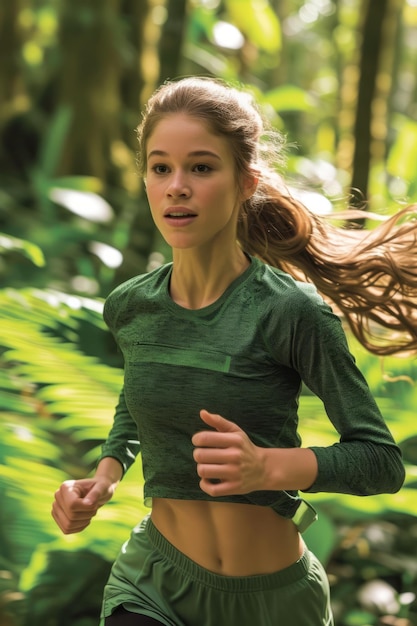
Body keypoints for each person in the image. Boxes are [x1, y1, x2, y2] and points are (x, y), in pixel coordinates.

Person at [52, 76, 417, 626]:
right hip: (155, 582)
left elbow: (381, 462)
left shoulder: (290, 312)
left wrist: (266, 467)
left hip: (273, 602)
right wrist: (105, 474)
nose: (176, 186)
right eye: (160, 168)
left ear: (245, 182)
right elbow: (139, 394)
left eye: (201, 167)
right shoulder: (130, 307)